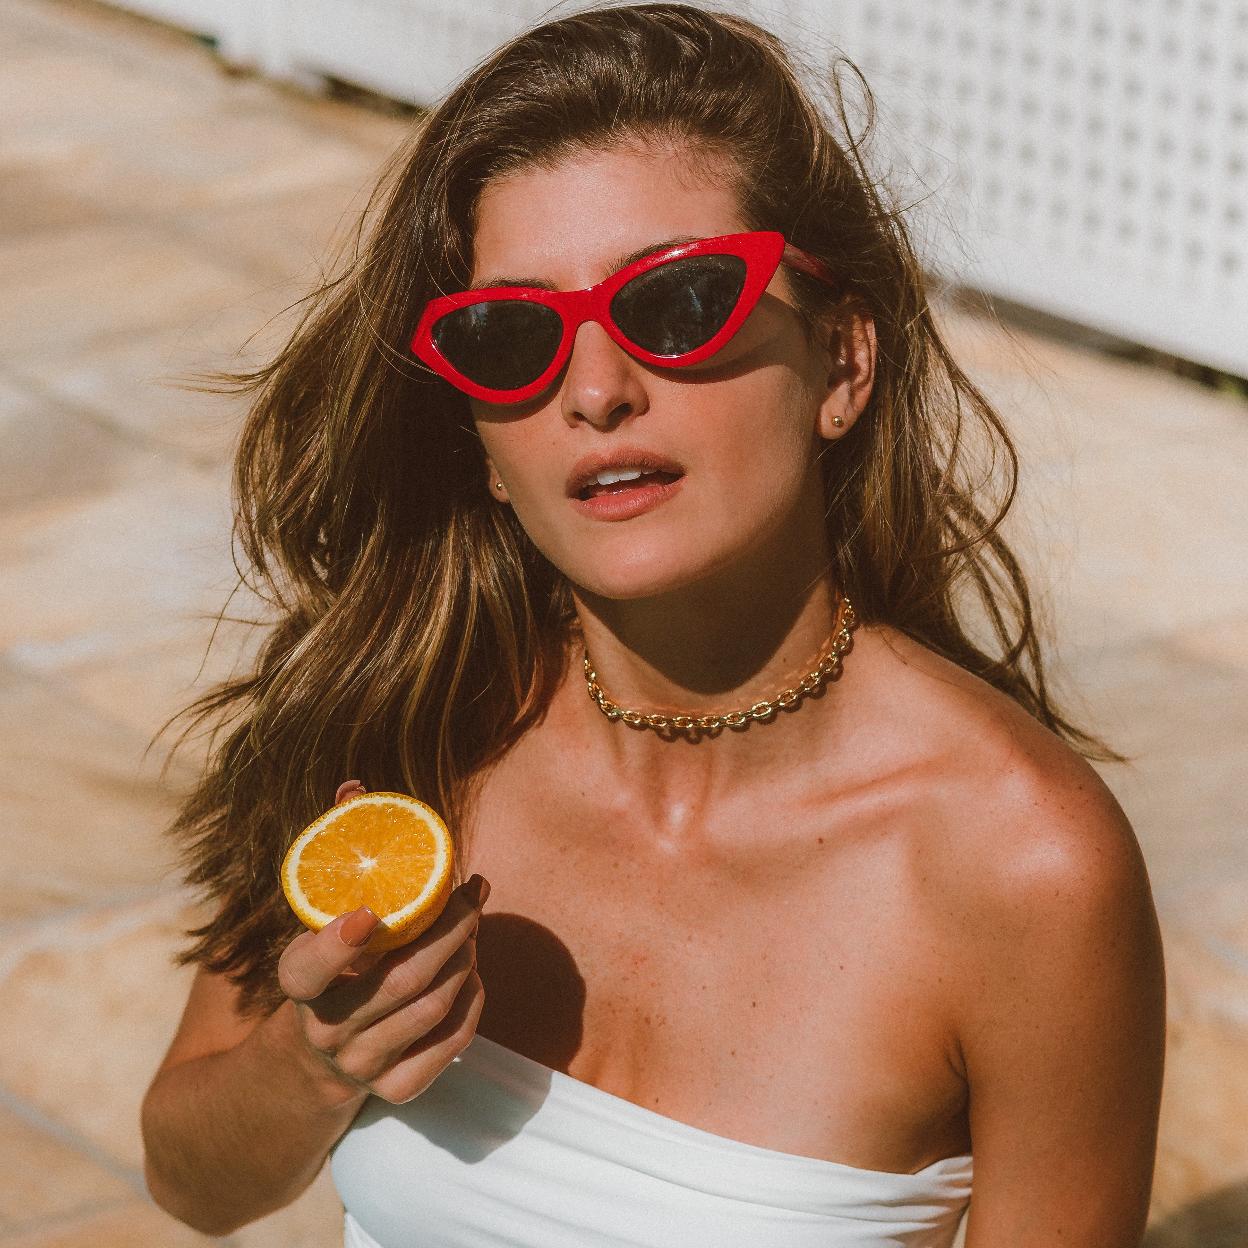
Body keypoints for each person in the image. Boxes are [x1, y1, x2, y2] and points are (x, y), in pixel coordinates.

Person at [139, 5, 1166, 1246]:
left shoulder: (1021, 867)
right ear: (481, 441)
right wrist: (313, 1064)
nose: (596, 390)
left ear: (843, 361)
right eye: (511, 337)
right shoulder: (411, 721)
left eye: (678, 304)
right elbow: (192, 1181)